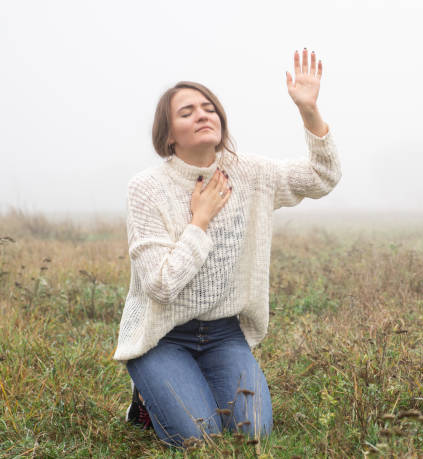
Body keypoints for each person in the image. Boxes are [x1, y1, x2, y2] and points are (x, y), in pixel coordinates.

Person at [113, 49, 341, 448]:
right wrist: (199, 222)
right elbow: (161, 287)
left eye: (209, 108)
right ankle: (148, 396)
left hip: (223, 334)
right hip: (163, 336)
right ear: (168, 135)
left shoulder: (250, 173)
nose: (203, 115)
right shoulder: (147, 189)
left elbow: (323, 177)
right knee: (199, 438)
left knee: (252, 435)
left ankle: (187, 384)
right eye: (187, 112)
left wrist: (309, 111)